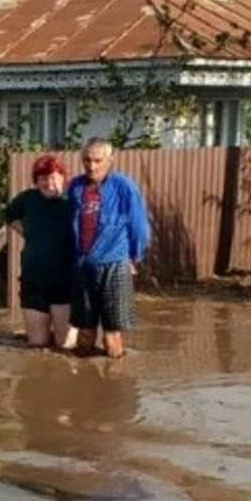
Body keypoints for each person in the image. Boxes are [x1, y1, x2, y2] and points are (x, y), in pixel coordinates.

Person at [67, 138, 150, 359]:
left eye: (97, 160)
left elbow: (138, 226)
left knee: (112, 334)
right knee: (84, 332)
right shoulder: (75, 186)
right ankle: (82, 383)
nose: (91, 166)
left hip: (114, 264)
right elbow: (70, 224)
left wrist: (134, 257)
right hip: (83, 266)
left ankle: (115, 382)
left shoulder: (123, 186)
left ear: (109, 161)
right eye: (87, 160)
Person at [4, 155, 76, 349]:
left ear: (62, 177)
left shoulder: (73, 199)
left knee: (65, 346)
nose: (48, 183)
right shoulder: (27, 199)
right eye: (42, 178)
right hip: (33, 280)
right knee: (37, 345)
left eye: (53, 177)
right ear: (36, 181)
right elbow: (9, 215)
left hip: (66, 281)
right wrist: (29, 233)